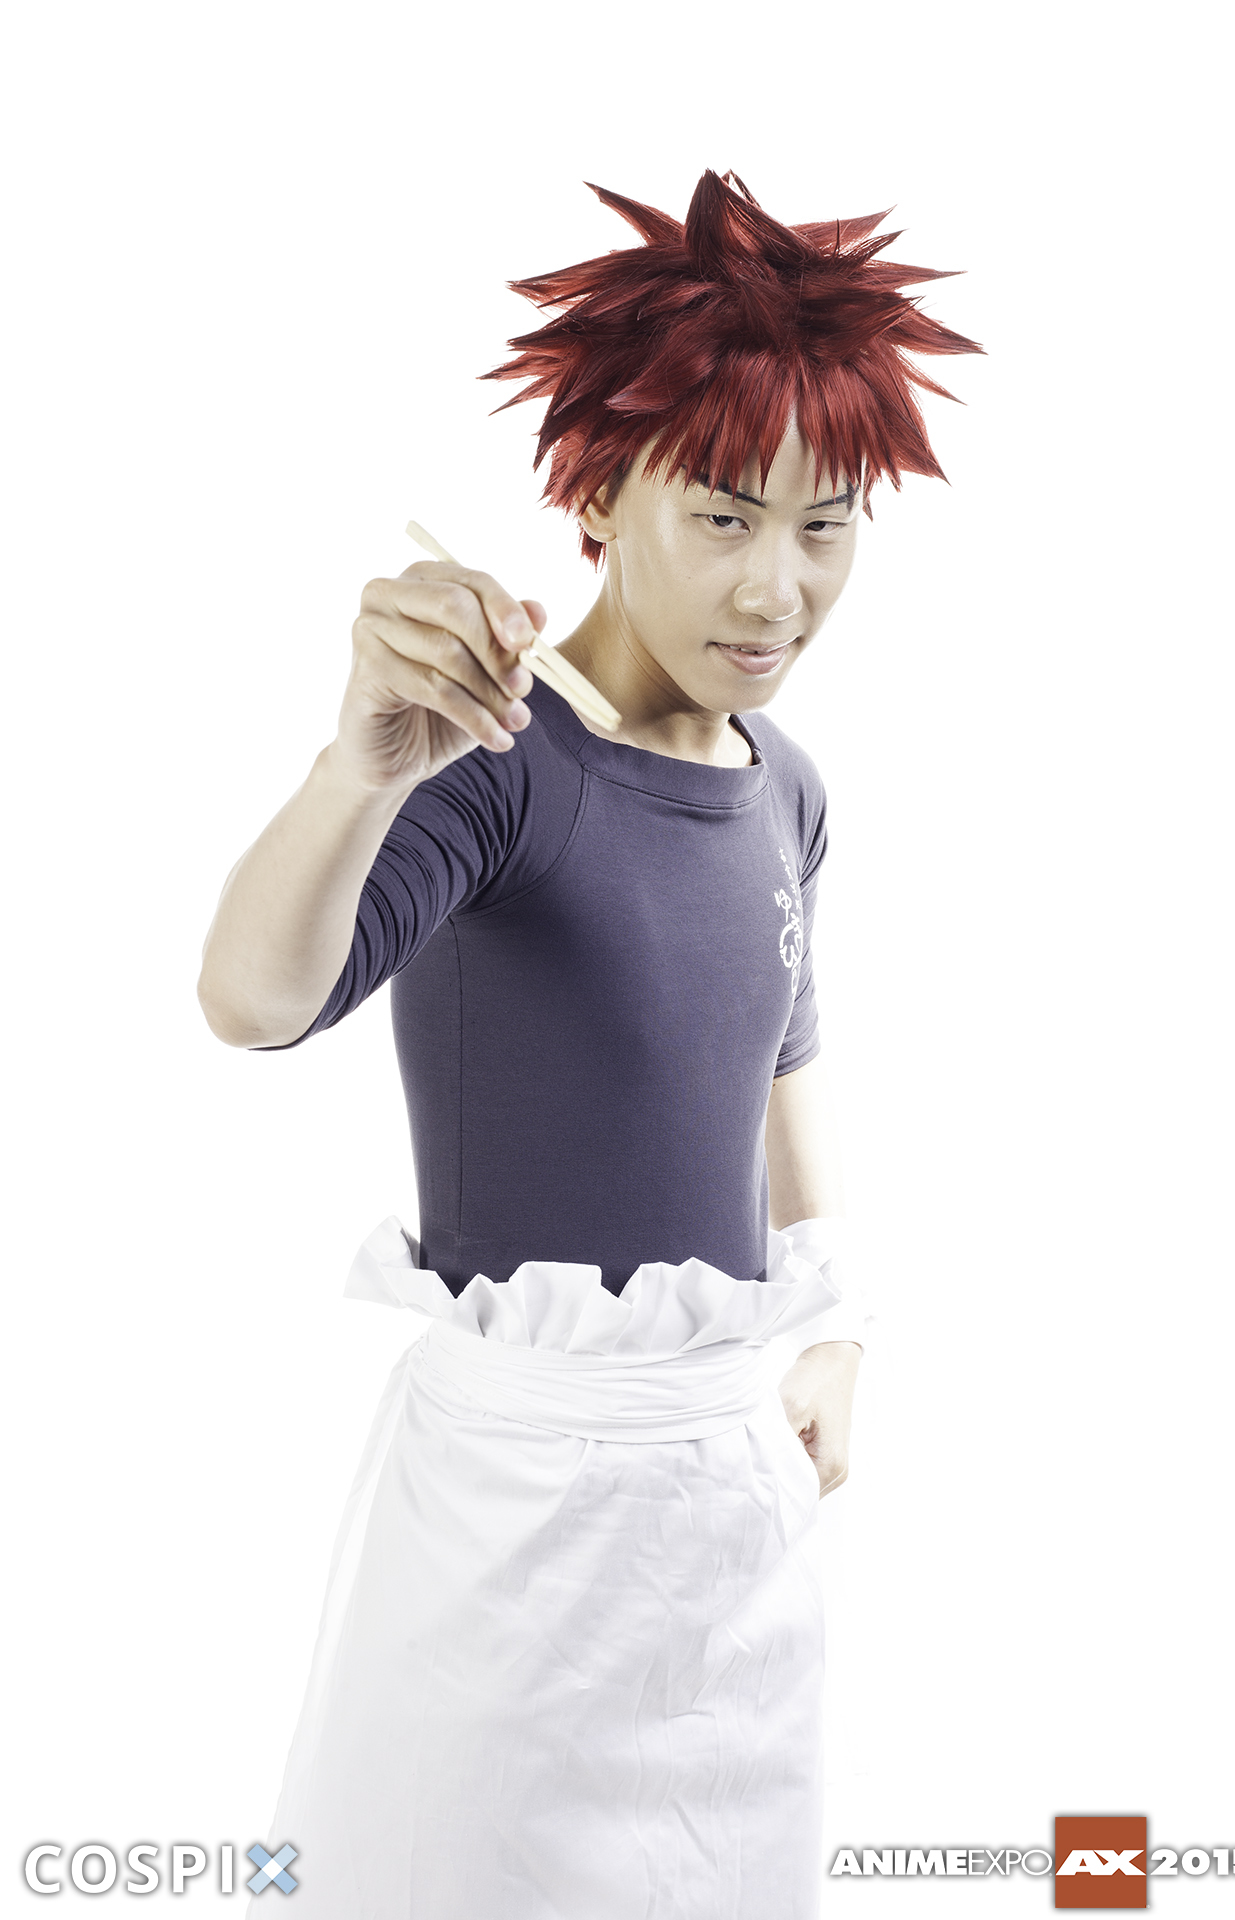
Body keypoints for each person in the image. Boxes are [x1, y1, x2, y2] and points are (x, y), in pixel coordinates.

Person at [198, 168, 980, 1920]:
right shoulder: (491, 762)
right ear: (598, 491)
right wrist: (357, 766)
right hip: (515, 1514)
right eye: (723, 514)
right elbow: (252, 1000)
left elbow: (780, 1060)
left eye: (828, 525)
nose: (777, 589)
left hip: (734, 1493)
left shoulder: (788, 787)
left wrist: (838, 1326)